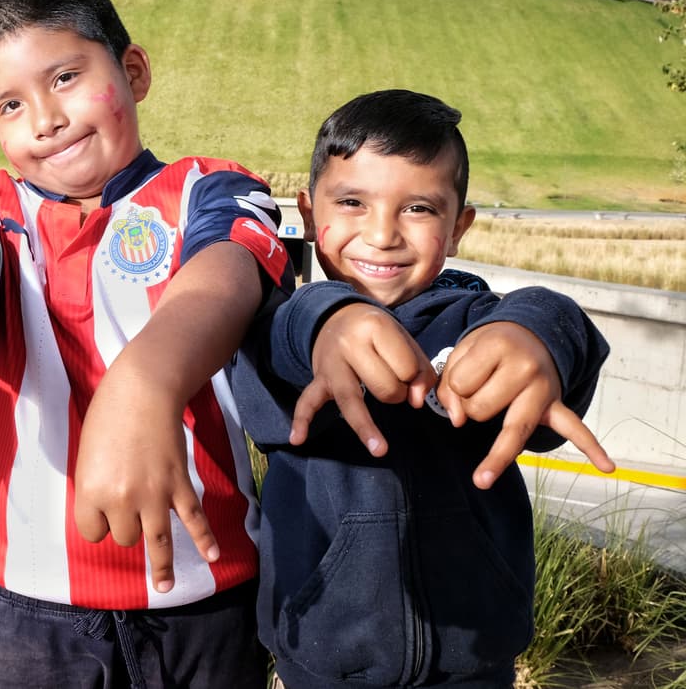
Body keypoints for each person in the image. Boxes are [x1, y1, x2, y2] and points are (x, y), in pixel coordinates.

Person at [0, 0, 295, 688]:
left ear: (134, 71)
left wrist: (143, 382)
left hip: (203, 602)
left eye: (64, 78)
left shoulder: (210, 189)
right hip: (21, 614)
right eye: (10, 106)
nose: (45, 121)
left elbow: (226, 277)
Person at [232, 89, 615, 688]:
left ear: (459, 227)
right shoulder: (281, 324)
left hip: (476, 659)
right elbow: (274, 361)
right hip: (321, 660)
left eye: (419, 209)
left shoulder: (477, 327)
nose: (383, 234)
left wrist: (536, 332)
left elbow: (548, 318)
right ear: (308, 215)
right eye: (352, 202)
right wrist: (327, 323)